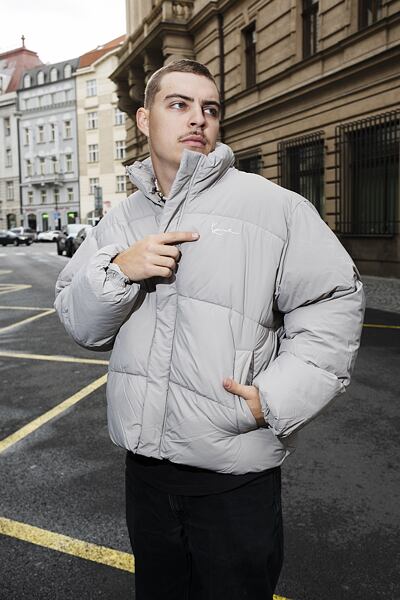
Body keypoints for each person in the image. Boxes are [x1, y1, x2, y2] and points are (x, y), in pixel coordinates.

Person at [55, 59, 365, 599]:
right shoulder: (119, 220)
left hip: (235, 478)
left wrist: (272, 400)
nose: (198, 118)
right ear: (144, 119)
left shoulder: (274, 207)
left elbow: (335, 299)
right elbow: (82, 325)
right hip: (146, 476)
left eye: (210, 108)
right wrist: (119, 270)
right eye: (179, 104)